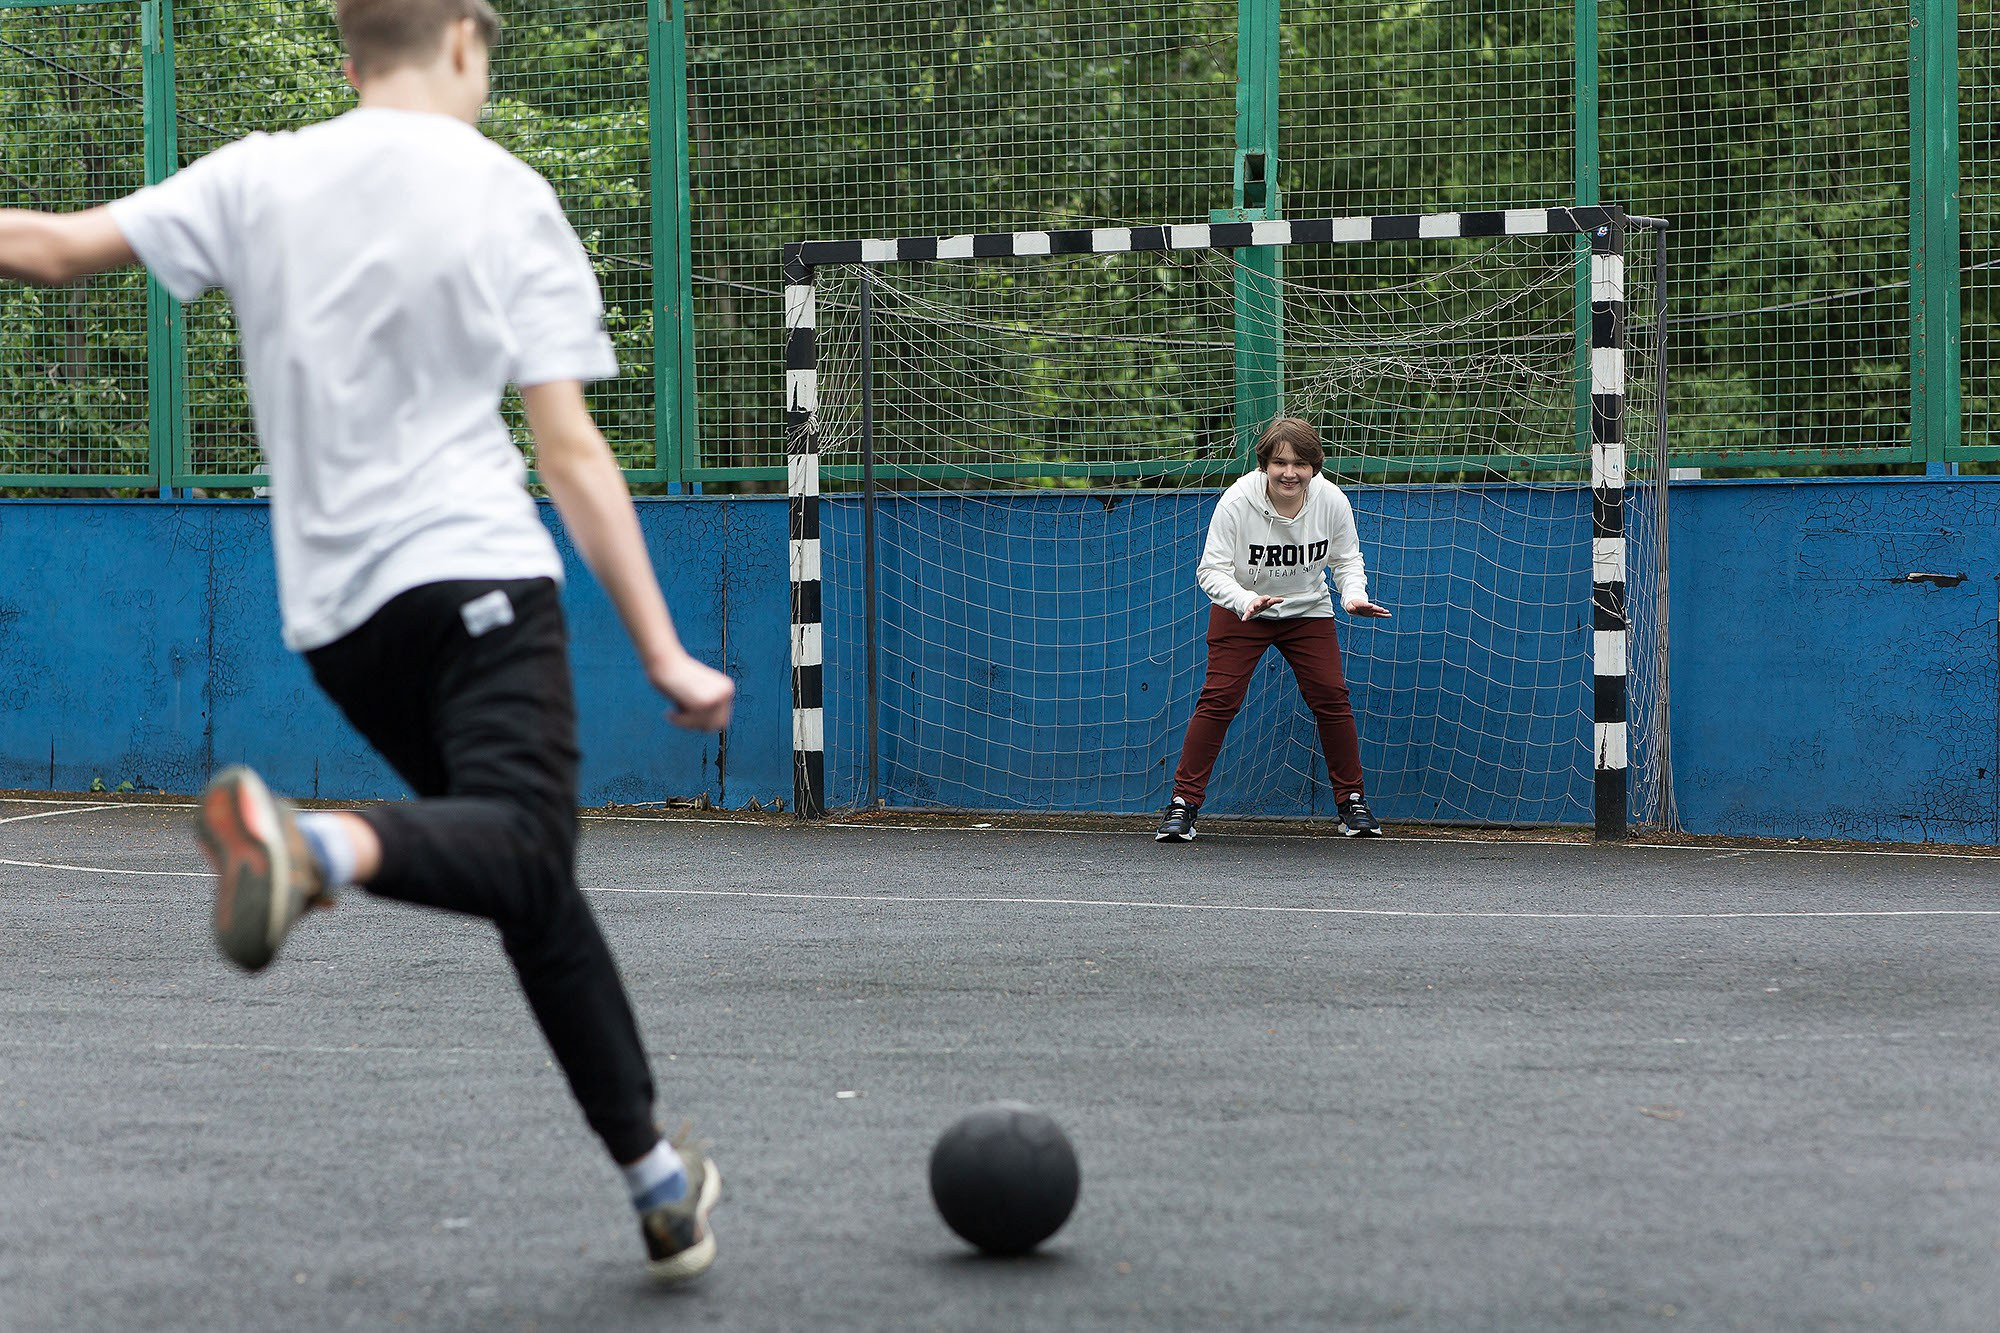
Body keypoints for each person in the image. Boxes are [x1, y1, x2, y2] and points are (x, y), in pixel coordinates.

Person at [0, 0, 731, 1283]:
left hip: (339, 625)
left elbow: (52, 249)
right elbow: (567, 450)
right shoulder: (506, 195)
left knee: (524, 881)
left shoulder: (257, 175)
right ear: (463, 42)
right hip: (475, 579)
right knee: (525, 844)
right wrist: (662, 649)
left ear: (347, 60)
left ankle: (656, 1181)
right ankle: (312, 844)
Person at [1156, 416, 1392, 842]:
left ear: (1314, 466)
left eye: (1300, 463)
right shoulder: (1236, 501)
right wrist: (1245, 600)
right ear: (1264, 464)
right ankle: (1182, 805)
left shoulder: (1332, 500)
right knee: (1219, 699)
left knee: (1332, 697)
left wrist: (1352, 595)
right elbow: (1211, 571)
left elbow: (1346, 560)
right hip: (1243, 609)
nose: (1290, 473)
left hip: (1307, 610)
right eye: (1280, 463)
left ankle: (1352, 803)